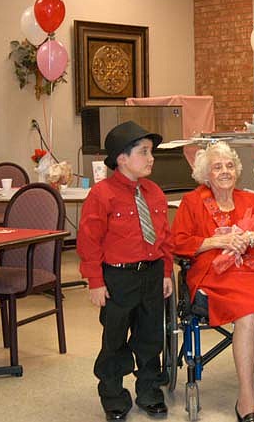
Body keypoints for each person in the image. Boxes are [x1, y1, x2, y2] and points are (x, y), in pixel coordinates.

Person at [171, 141, 254, 422]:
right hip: (216, 274)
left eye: (229, 165)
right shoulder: (193, 203)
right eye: (217, 167)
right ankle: (246, 397)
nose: (225, 171)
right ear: (206, 174)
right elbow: (178, 243)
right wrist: (217, 240)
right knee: (248, 314)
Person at [77, 121, 174, 421]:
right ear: (122, 158)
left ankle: (148, 389)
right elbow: (89, 241)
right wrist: (95, 281)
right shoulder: (102, 194)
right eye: (143, 152)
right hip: (118, 276)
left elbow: (164, 236)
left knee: (150, 336)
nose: (151, 158)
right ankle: (113, 392)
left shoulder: (155, 192)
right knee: (115, 338)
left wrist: (167, 271)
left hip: (152, 272)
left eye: (151, 152)